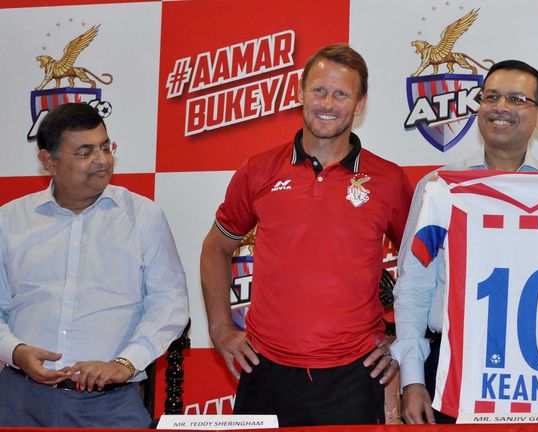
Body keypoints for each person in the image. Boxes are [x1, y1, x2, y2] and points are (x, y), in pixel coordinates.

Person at [200, 44, 412, 426]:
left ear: (360, 104)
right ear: (300, 94)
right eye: (318, 90)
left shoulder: (389, 180)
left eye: (341, 93)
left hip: (354, 374)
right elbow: (217, 248)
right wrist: (219, 328)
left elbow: (421, 265)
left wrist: (404, 340)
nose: (327, 103)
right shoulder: (259, 170)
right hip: (265, 369)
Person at [0, 103, 189, 428]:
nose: (101, 160)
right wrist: (15, 351)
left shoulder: (143, 217)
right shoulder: (10, 221)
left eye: (105, 147)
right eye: (85, 151)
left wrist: (125, 363)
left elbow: (169, 305)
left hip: (111, 405)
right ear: (49, 161)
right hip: (20, 399)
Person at [391, 59, 538, 424]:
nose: (500, 108)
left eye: (516, 99)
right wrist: (412, 379)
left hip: (535, 370)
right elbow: (413, 286)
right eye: (491, 96)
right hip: (447, 365)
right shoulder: (439, 186)